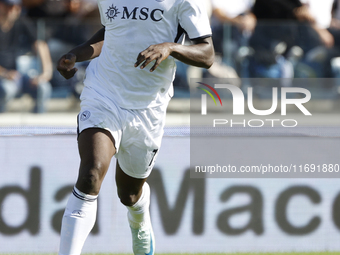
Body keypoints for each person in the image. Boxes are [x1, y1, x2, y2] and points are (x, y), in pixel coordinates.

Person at [56, 0, 214, 254]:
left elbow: (207, 54)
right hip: (103, 94)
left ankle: (139, 214)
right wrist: (79, 53)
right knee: (90, 174)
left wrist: (170, 48)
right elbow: (112, 31)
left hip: (147, 107)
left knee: (128, 194)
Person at [0, 0, 52, 113]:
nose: (13, 9)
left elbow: (40, 44)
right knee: (5, 90)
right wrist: (4, 73)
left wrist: (46, 73)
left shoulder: (21, 21)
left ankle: (39, 126)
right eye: (9, 6)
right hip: (4, 78)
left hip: (17, 75)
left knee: (43, 88)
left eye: (16, 6)